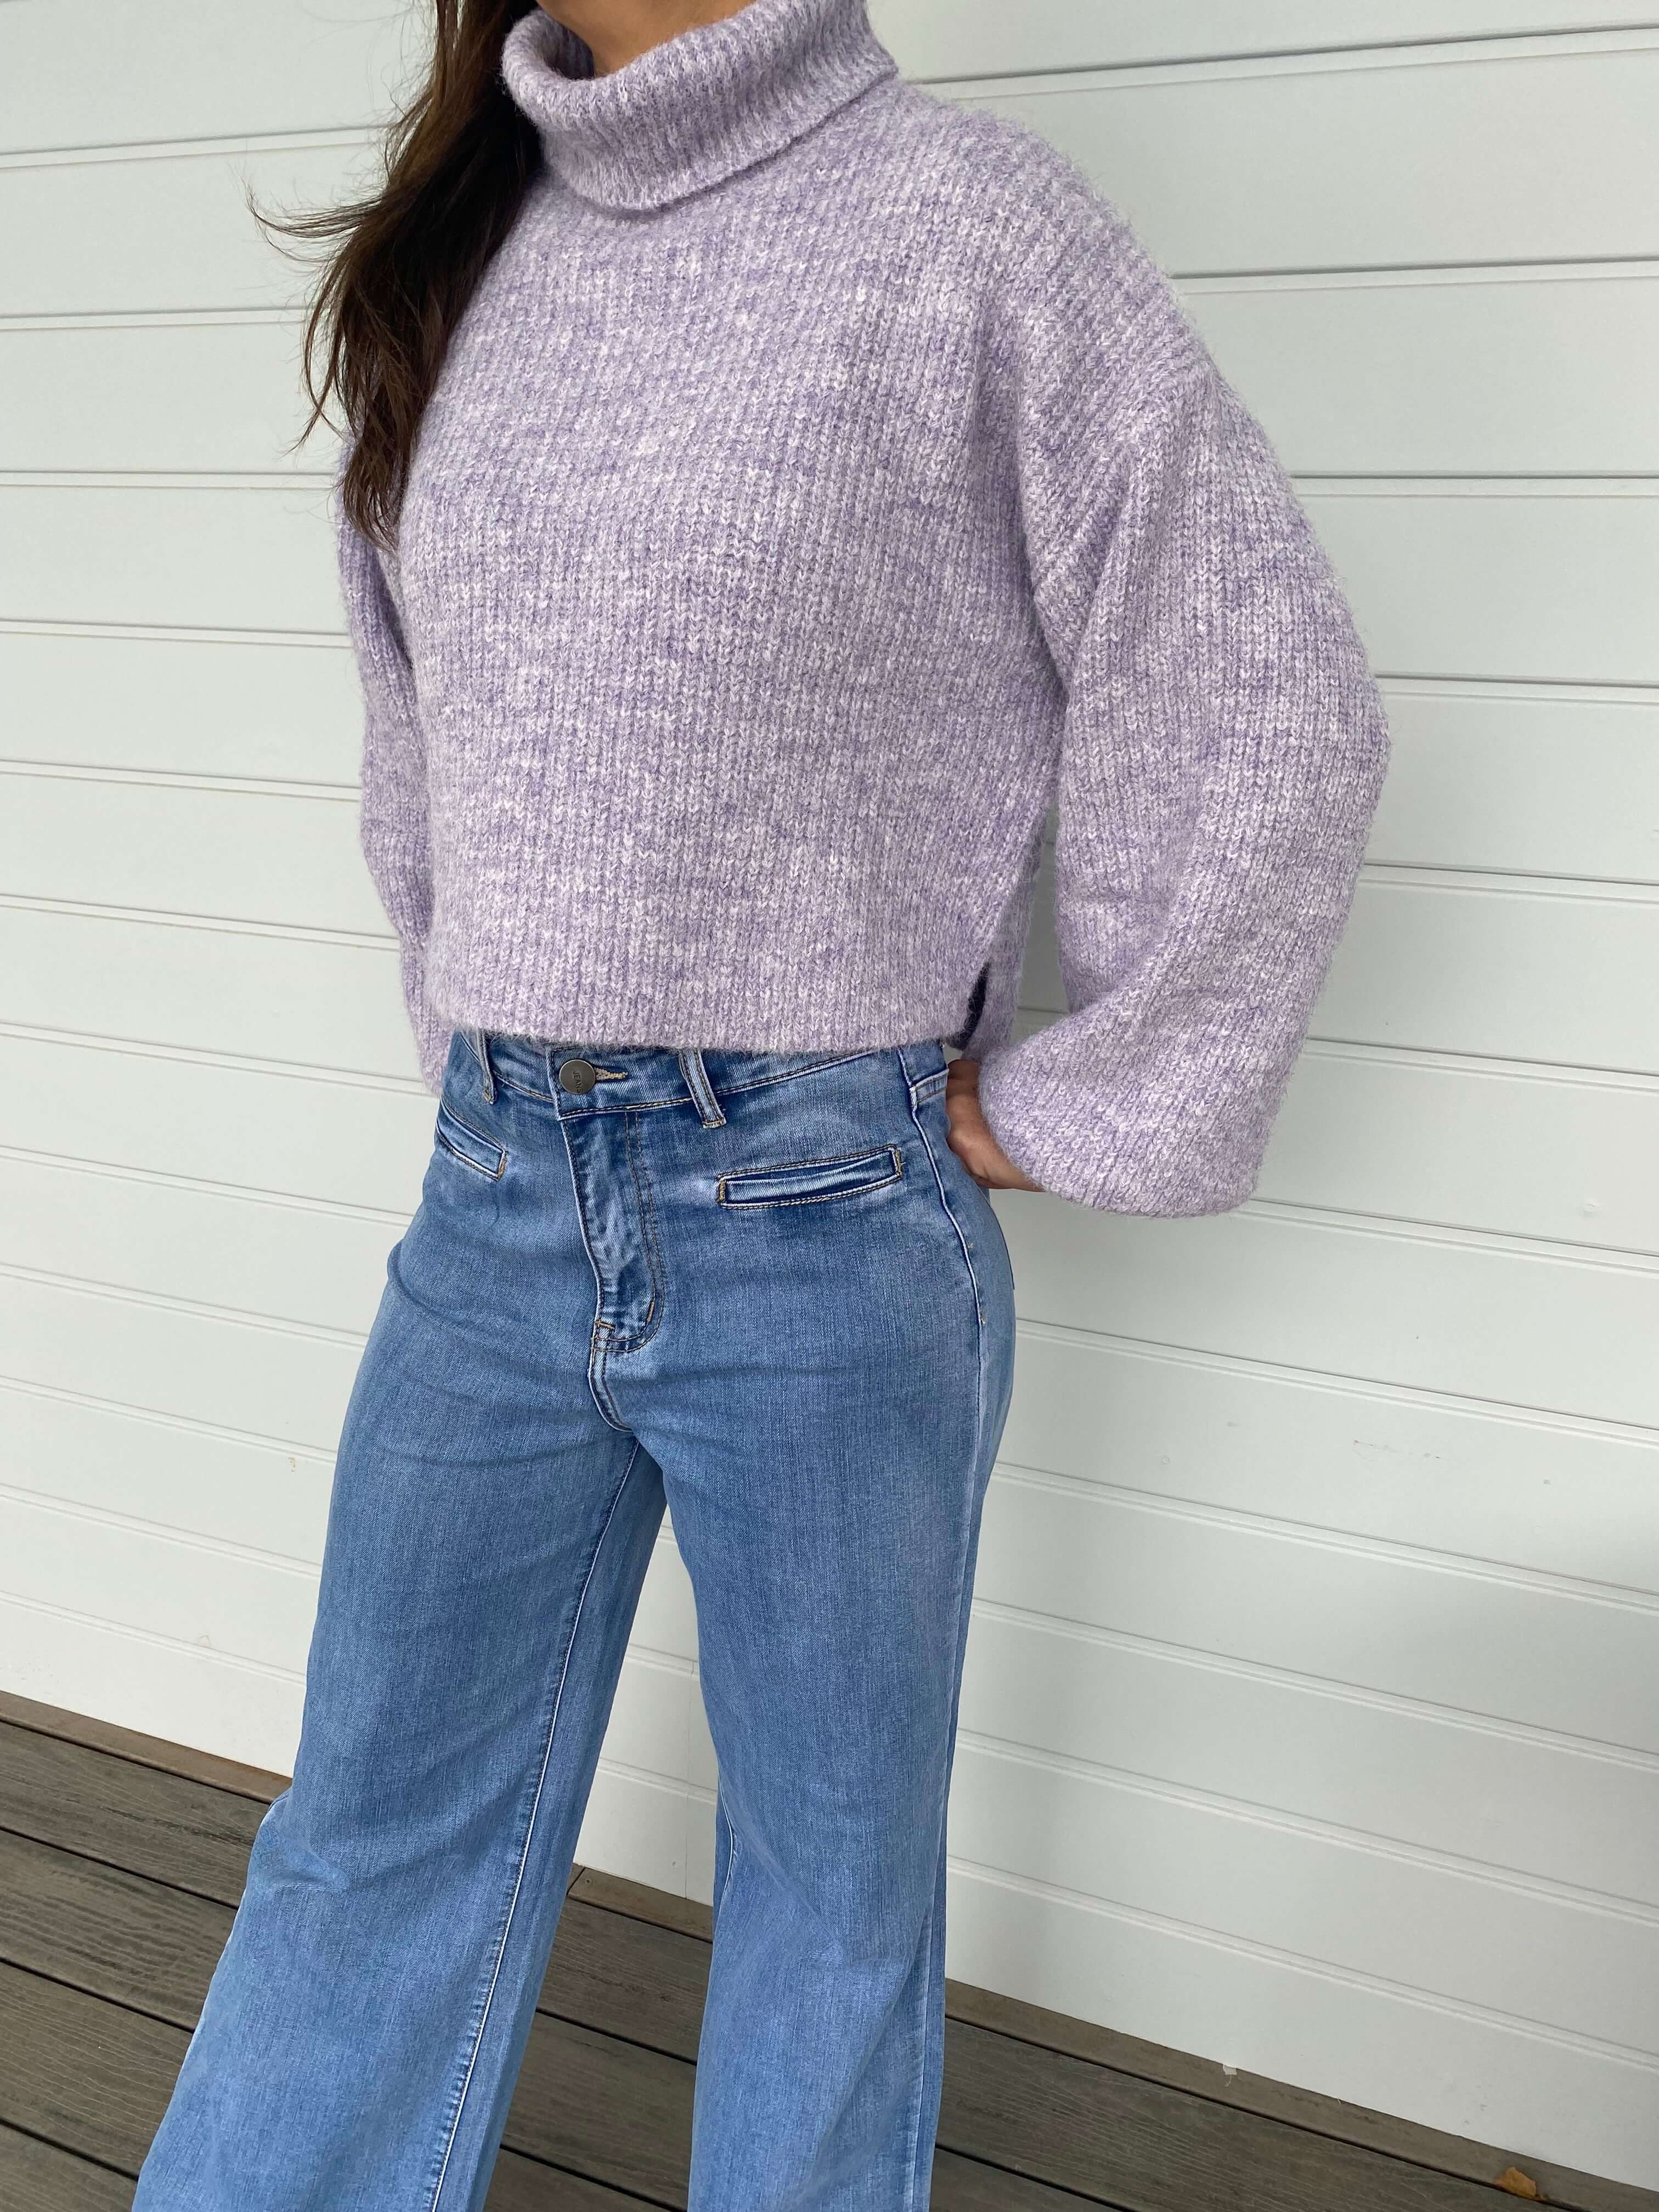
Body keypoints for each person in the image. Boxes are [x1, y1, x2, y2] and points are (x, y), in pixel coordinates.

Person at [133, 0, 1391, 2204]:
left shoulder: (977, 235)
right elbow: (422, 739)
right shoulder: (464, 258)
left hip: (824, 1208)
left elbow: (1262, 686)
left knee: (828, 1897)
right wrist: (483, 1051)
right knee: (367, 1840)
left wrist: (1081, 1097)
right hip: (497, 1199)